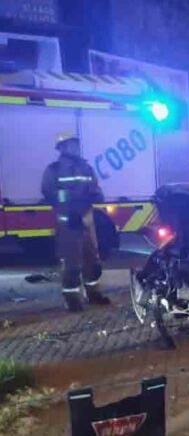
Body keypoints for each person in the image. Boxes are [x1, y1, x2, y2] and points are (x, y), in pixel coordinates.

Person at [41, 134, 110, 312]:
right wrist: (69, 207)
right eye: (71, 144)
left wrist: (96, 196)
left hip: (87, 220)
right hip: (69, 223)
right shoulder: (54, 169)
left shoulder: (86, 167)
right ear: (62, 148)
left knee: (93, 260)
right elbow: (49, 192)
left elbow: (95, 189)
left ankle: (93, 293)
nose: (75, 147)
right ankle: (72, 299)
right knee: (71, 263)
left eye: (76, 144)